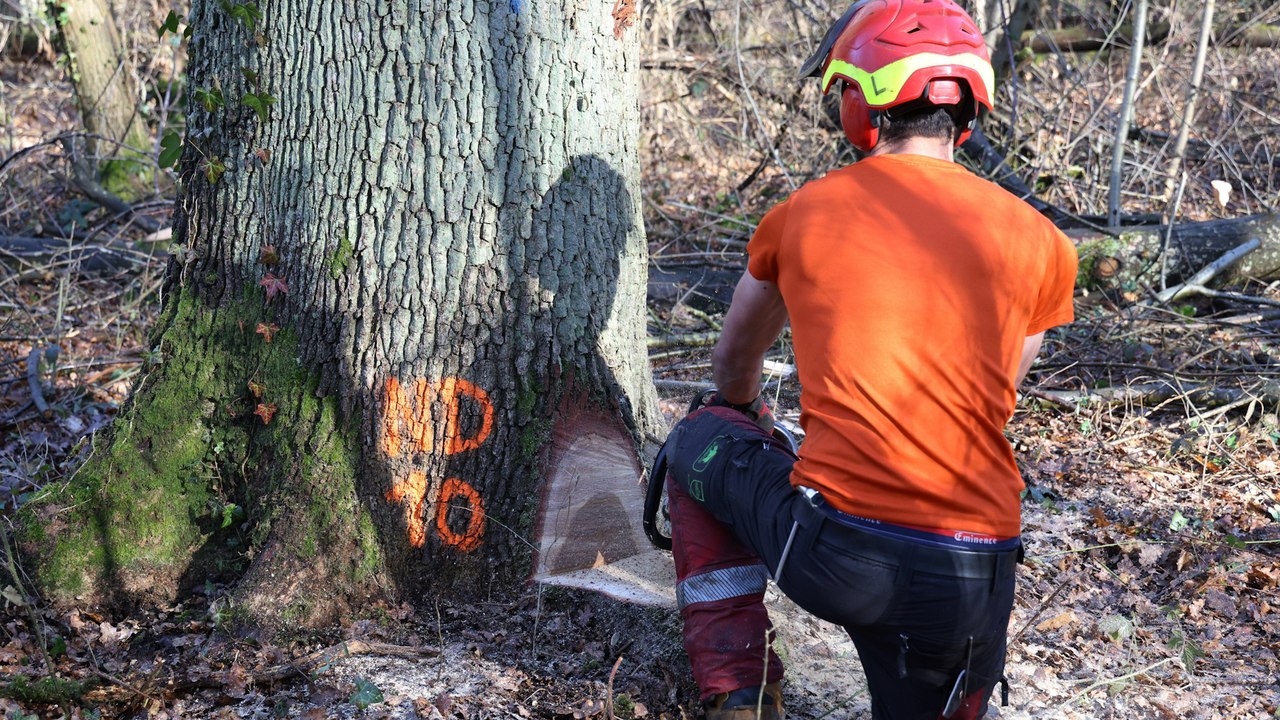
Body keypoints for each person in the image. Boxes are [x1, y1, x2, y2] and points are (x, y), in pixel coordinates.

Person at [659, 1, 1079, 718]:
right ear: (968, 107)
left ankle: (739, 690)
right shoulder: (1044, 242)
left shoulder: (805, 213)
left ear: (862, 102)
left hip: (843, 555)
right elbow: (995, 390)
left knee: (700, 440)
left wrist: (750, 416)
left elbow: (732, 368)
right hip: (976, 573)